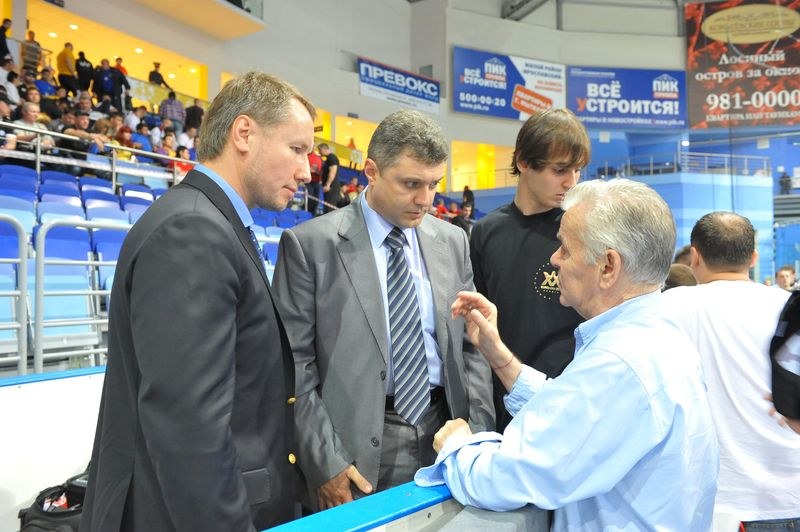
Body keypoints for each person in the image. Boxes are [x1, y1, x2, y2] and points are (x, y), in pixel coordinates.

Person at [80, 71, 315, 531]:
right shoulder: (194, 231)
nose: (307, 171)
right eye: (297, 149)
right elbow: (190, 431)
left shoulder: (208, 222)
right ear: (244, 133)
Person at [417, 178, 718, 531]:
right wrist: (499, 356)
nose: (554, 259)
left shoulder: (618, 363)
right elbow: (577, 417)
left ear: (608, 267)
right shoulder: (655, 337)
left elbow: (510, 476)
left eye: (565, 248)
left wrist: (458, 448)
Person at [272, 109, 494, 510]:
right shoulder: (311, 246)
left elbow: (471, 347)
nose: (425, 199)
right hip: (355, 445)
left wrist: (477, 429)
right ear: (371, 171)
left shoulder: (453, 241)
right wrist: (325, 462)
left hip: (446, 431)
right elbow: (294, 367)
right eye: (411, 184)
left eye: (433, 184)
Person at [661, 212, 800, 530]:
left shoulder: (673, 306)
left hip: (726, 504)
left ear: (694, 257)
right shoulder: (791, 308)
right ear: (754, 257)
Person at [469, 108, 588, 430]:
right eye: (560, 169)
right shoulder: (485, 232)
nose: (571, 182)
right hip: (501, 405)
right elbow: (477, 329)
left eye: (577, 170)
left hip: (569, 406)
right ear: (523, 162)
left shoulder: (581, 230)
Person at [319, 142, 340, 213]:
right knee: (327, 208)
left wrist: (327, 185)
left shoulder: (331, 158)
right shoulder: (328, 159)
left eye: (320, 150)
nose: (319, 152)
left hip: (331, 188)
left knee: (329, 209)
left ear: (324, 149)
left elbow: (332, 172)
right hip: (330, 187)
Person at [306, 143, 323, 214]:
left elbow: (321, 171)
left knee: (316, 199)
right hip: (308, 181)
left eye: (314, 145)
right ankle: (307, 214)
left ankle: (313, 214)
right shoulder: (306, 156)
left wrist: (317, 171)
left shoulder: (319, 158)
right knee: (310, 199)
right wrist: (309, 169)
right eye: (312, 145)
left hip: (317, 182)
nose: (313, 147)